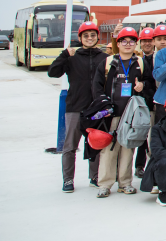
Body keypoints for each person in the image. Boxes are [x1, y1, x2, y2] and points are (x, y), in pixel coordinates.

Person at [92, 26, 149, 197]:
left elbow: (149, 83)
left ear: (135, 44)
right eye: (124, 41)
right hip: (112, 114)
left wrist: (142, 86)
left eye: (132, 41)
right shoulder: (108, 62)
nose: (128, 44)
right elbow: (96, 86)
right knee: (109, 149)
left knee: (127, 149)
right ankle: (105, 184)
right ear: (118, 43)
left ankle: (125, 183)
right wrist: (104, 106)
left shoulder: (140, 63)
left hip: (130, 115)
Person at [49, 20, 105, 192]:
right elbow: (52, 72)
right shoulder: (72, 57)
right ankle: (68, 180)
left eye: (92, 35)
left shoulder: (104, 57)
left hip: (95, 109)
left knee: (95, 144)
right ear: (80, 38)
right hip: (75, 107)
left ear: (97, 37)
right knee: (70, 146)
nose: (89, 38)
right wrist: (64, 54)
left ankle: (95, 177)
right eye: (85, 35)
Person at [134, 27, 158, 179]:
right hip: (140, 104)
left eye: (150, 41)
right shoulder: (136, 60)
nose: (147, 44)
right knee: (141, 136)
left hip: (154, 104)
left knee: (152, 137)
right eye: (144, 41)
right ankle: (139, 165)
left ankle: (151, 165)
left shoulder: (158, 58)